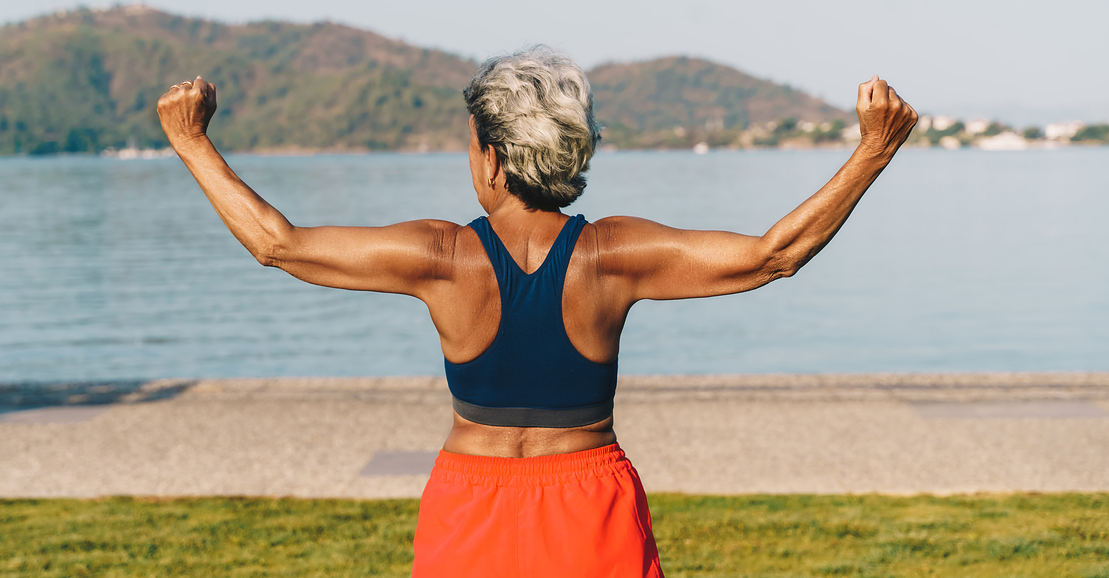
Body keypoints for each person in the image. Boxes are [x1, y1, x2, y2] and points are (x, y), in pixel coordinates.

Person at [156, 47, 917, 578]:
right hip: (589, 499)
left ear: (491, 157)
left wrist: (192, 142)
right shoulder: (612, 254)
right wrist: (872, 151)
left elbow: (277, 243)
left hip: (470, 501)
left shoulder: (442, 255)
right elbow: (773, 253)